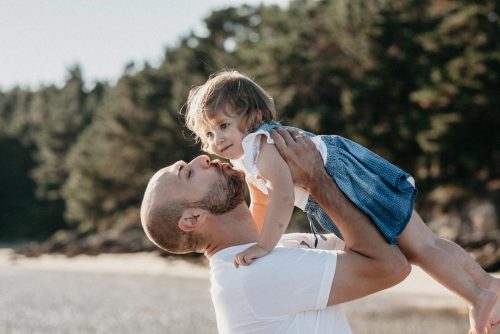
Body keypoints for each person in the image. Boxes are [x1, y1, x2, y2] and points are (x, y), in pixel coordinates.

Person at [183, 70, 499, 334]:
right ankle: (486, 284)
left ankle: (477, 296)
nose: (217, 141)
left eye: (223, 126)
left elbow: (281, 196)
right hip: (347, 179)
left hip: (346, 184)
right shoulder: (247, 159)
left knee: (419, 248)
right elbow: (263, 204)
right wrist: (252, 238)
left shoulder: (261, 147)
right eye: (208, 134)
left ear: (252, 116)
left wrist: (264, 246)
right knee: (425, 241)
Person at [140, 130, 411, 334]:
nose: (202, 158)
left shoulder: (268, 256)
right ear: (194, 218)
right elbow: (391, 265)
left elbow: (380, 242)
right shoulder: (253, 275)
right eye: (188, 174)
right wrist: (316, 180)